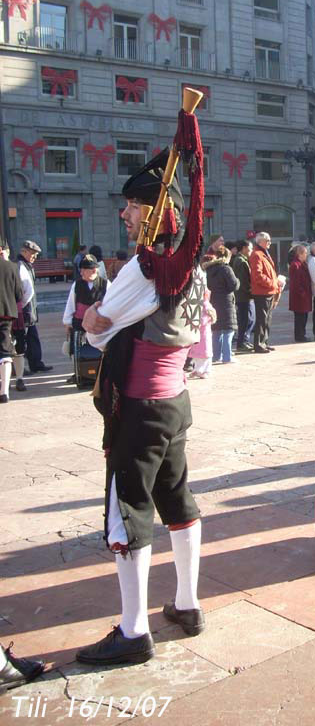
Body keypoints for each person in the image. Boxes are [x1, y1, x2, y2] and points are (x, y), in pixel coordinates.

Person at [78, 143, 206, 665]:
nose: (124, 214)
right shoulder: (190, 267)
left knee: (128, 511)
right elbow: (201, 335)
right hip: (175, 401)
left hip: (139, 406)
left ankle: (134, 632)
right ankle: (188, 604)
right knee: (177, 500)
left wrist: (90, 319)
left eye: (132, 206)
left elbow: (97, 330)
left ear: (153, 213)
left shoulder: (145, 268)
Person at [62, 254, 110, 384]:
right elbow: (71, 303)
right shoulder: (76, 285)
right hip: (79, 323)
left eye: (84, 269)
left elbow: (111, 305)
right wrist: (67, 322)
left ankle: (101, 371)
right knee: (75, 348)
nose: (81, 272)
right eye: (81, 269)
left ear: (94, 270)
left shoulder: (105, 284)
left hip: (98, 324)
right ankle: (78, 372)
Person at [14, 240, 53, 383]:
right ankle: (22, 367)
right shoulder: (21, 266)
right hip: (25, 309)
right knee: (22, 339)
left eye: (36, 255)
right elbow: (27, 290)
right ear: (24, 251)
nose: (34, 257)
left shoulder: (25, 265)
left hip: (28, 309)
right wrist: (24, 306)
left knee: (31, 337)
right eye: (32, 254)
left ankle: (36, 363)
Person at [203, 245, 239, 364]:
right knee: (228, 330)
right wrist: (238, 281)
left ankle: (216, 356)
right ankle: (227, 357)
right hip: (226, 302)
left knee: (216, 330)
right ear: (226, 256)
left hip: (213, 301)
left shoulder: (208, 269)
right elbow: (234, 285)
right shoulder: (226, 268)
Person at [0, 236, 22, 404]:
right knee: (5, 352)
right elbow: (19, 294)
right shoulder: (12, 267)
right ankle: (4, 391)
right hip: (6, 314)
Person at [250, 231, 279, 354]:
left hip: (268, 291)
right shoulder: (257, 254)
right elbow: (257, 275)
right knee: (262, 319)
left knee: (267, 319)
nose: (270, 243)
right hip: (262, 292)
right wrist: (272, 283)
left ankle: (264, 342)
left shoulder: (263, 253)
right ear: (260, 241)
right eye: (268, 240)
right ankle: (259, 344)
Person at [187, 289, 216, 380]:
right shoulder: (199, 303)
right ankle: (197, 369)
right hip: (198, 333)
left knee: (205, 353)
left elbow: (204, 318)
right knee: (198, 354)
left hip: (204, 334)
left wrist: (196, 322)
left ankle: (206, 371)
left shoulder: (205, 304)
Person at [231, 240, 255, 352]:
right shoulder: (241, 261)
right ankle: (242, 342)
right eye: (250, 248)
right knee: (247, 319)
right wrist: (251, 293)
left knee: (248, 319)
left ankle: (245, 340)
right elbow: (243, 282)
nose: (251, 251)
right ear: (244, 248)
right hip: (244, 296)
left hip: (244, 296)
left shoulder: (242, 260)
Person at [288, 244, 312, 342]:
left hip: (304, 295)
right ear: (300, 254)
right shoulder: (295, 265)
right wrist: (302, 294)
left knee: (304, 317)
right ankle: (300, 336)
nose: (306, 255)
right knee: (300, 318)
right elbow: (296, 283)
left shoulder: (302, 263)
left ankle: (302, 334)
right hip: (300, 297)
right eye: (305, 253)